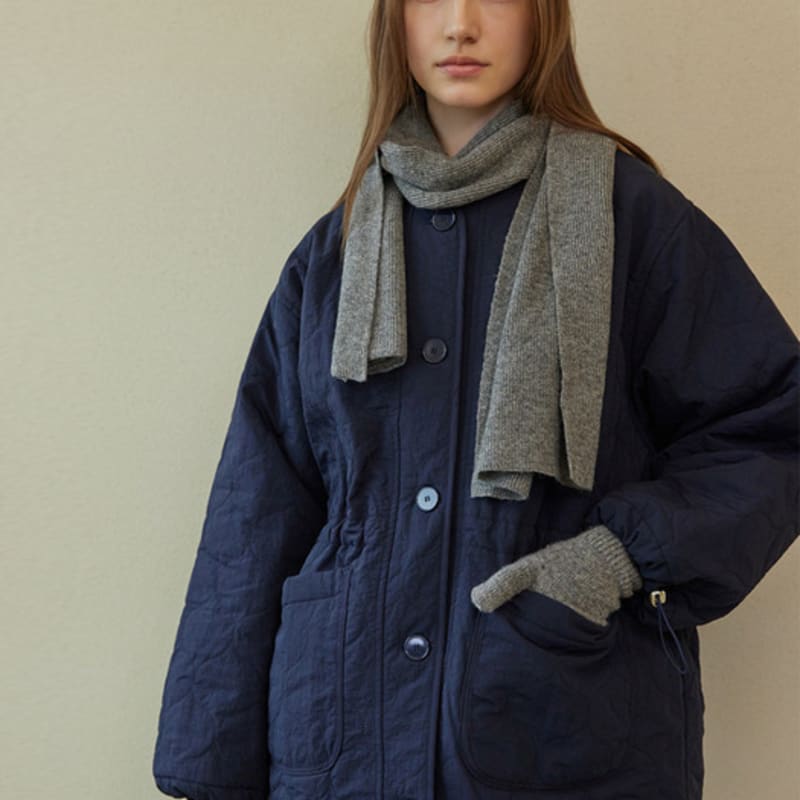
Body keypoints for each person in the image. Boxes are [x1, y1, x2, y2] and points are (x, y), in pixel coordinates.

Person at [152, 1, 800, 798]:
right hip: (343, 747)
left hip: (562, 733)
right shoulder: (335, 251)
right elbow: (257, 512)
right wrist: (208, 769)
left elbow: (772, 429)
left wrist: (614, 560)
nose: (460, 24)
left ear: (543, 19)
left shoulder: (632, 220)